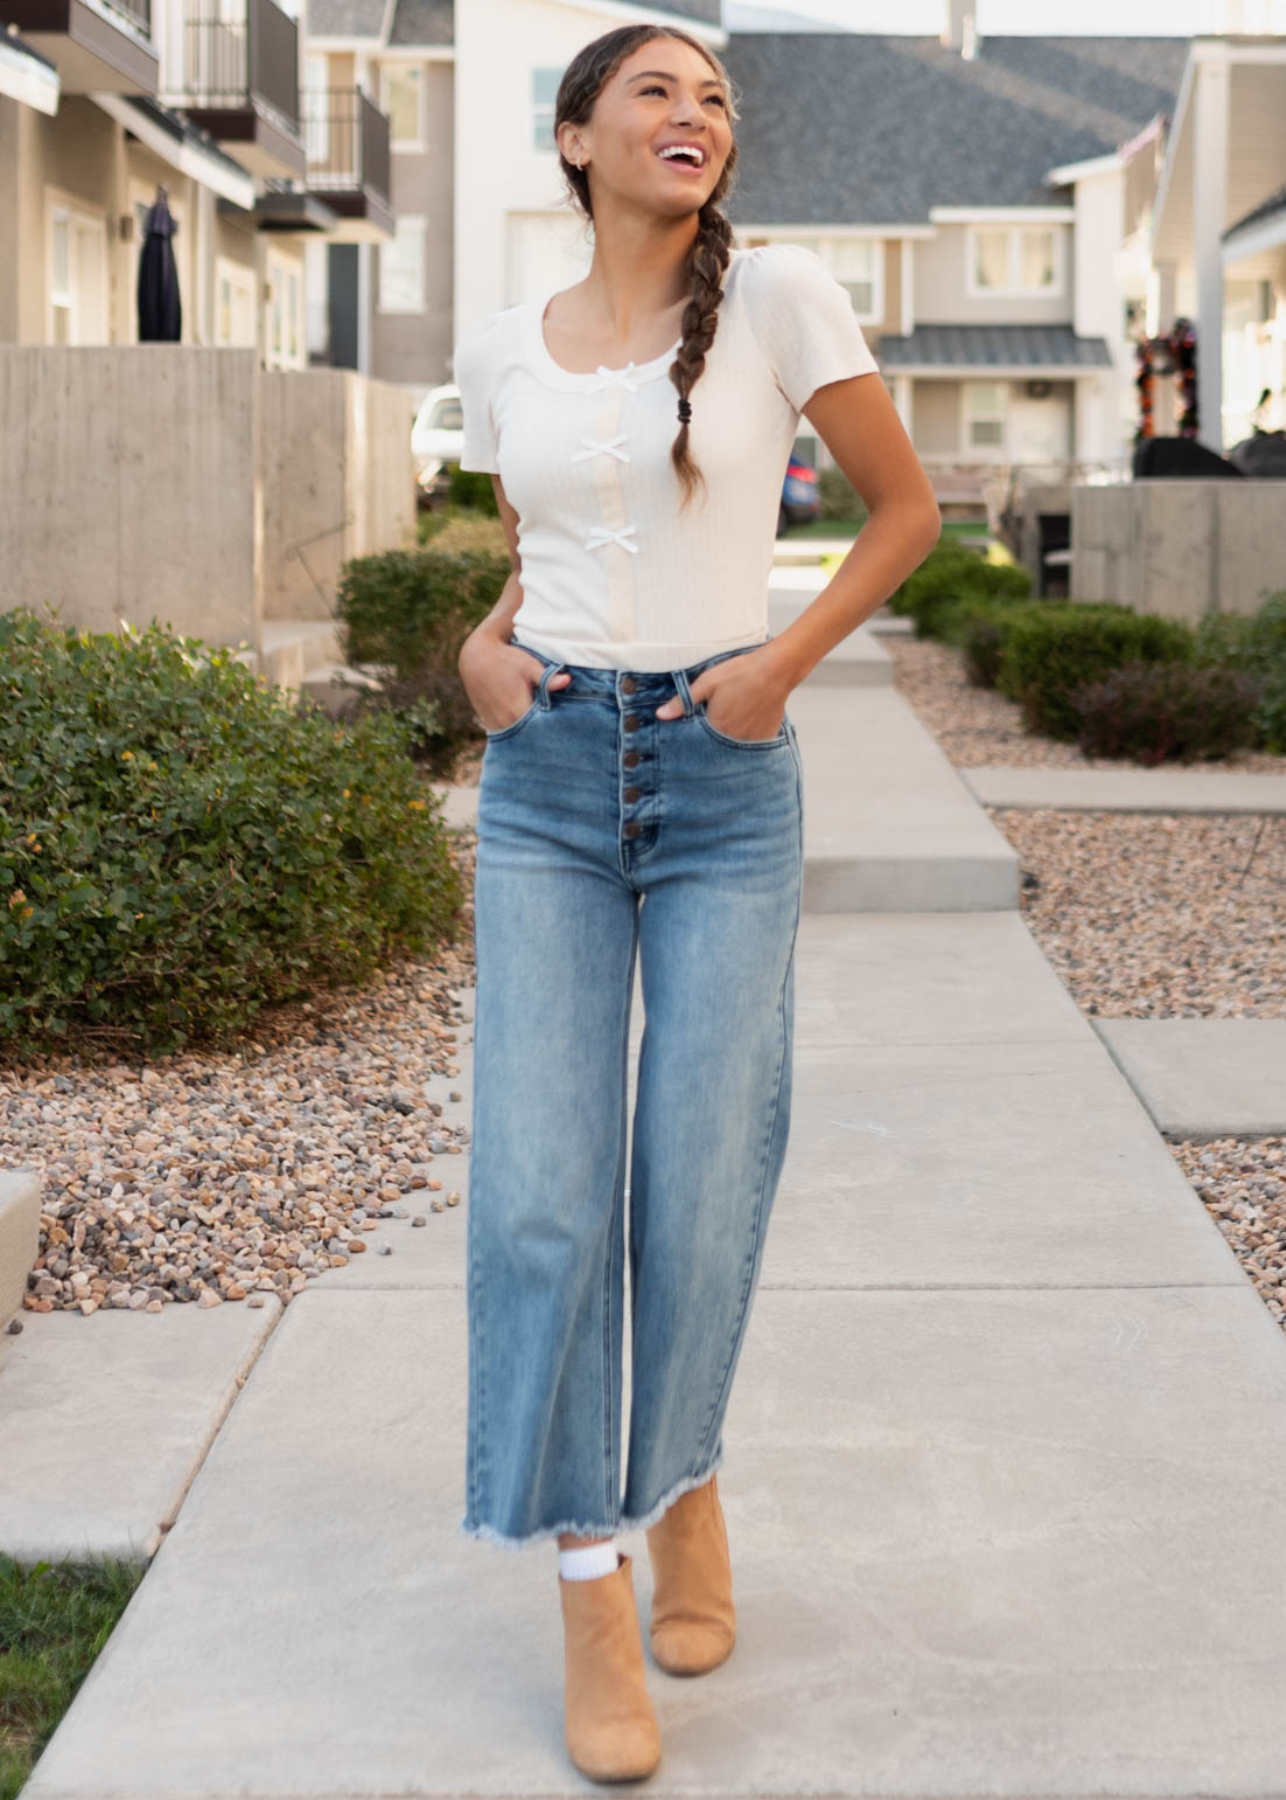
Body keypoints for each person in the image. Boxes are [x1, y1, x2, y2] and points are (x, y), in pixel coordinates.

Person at [451, 21, 940, 1785]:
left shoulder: (787, 295)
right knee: (535, 1201)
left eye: (714, 96)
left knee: (698, 1186)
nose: (695, 114)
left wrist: (771, 674)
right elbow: (539, 543)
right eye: (654, 90)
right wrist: (477, 655)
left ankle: (686, 1489)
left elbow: (902, 513)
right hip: (550, 787)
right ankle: (592, 1575)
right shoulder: (503, 340)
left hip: (723, 775)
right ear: (574, 137)